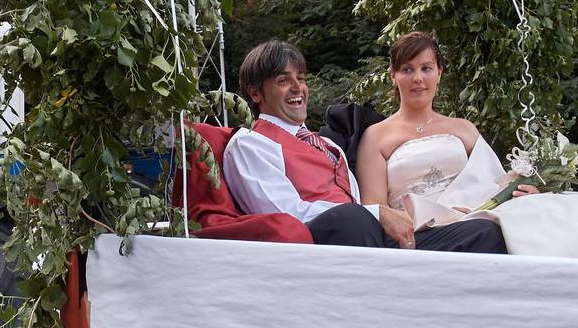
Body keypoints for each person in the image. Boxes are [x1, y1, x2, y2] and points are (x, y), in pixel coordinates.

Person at [223, 39, 507, 253]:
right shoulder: (251, 144)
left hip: (371, 238)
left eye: (301, 79)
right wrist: (375, 213)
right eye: (284, 81)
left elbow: (360, 205)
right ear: (256, 92)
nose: (298, 88)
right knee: (352, 217)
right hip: (324, 247)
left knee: (484, 232)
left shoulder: (327, 146)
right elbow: (286, 214)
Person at [356, 31, 577, 258]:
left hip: (474, 217)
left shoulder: (463, 128)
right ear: (393, 75)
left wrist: (523, 192)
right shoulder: (376, 136)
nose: (418, 78)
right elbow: (375, 209)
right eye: (407, 69)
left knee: (565, 209)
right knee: (487, 232)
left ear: (439, 73)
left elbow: (495, 184)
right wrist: (439, 216)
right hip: (418, 232)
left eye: (426, 68)